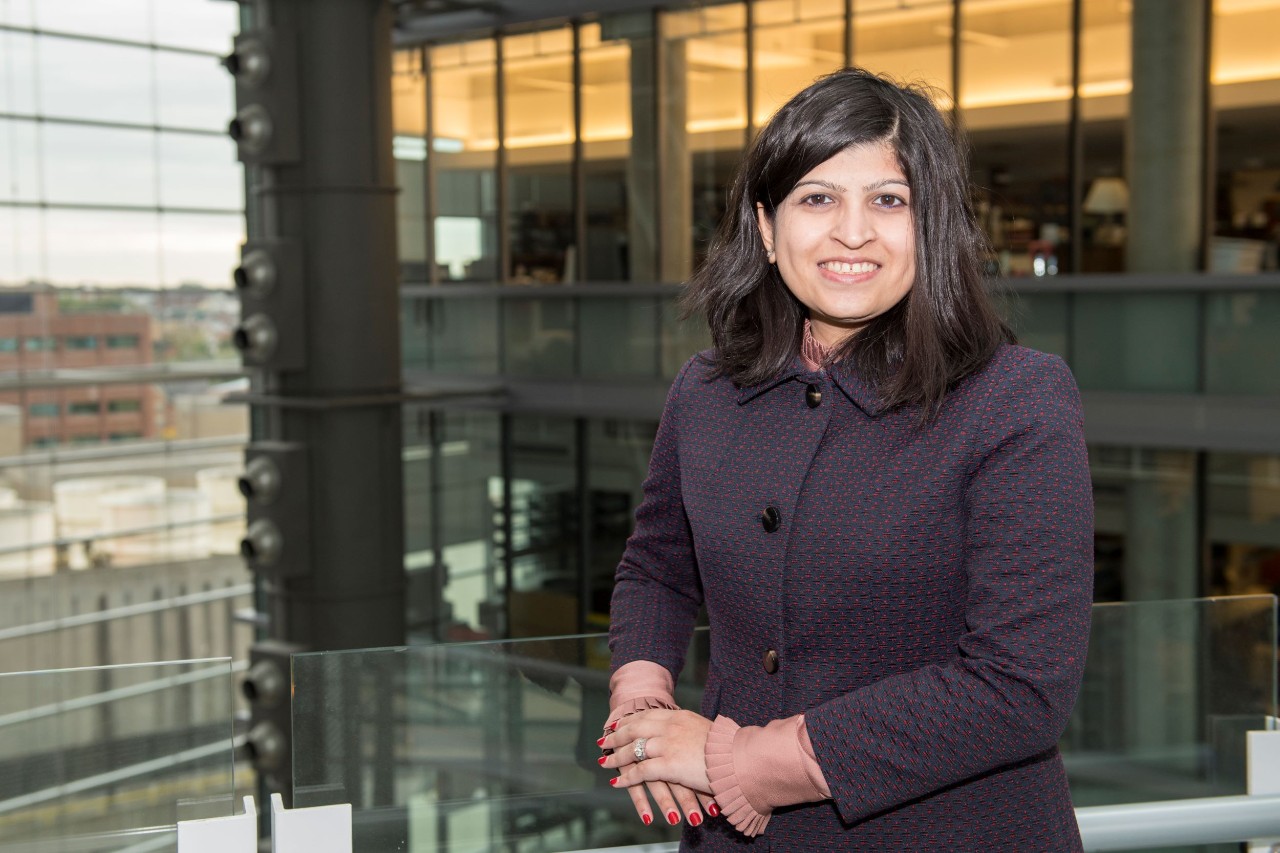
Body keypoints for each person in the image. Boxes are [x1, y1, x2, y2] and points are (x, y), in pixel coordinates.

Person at [595, 67, 1094, 850]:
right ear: (766, 226)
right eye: (817, 198)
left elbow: (1017, 685)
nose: (852, 232)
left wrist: (740, 758)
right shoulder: (707, 390)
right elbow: (656, 566)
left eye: (889, 200)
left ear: (930, 224)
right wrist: (642, 701)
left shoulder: (1015, 399)